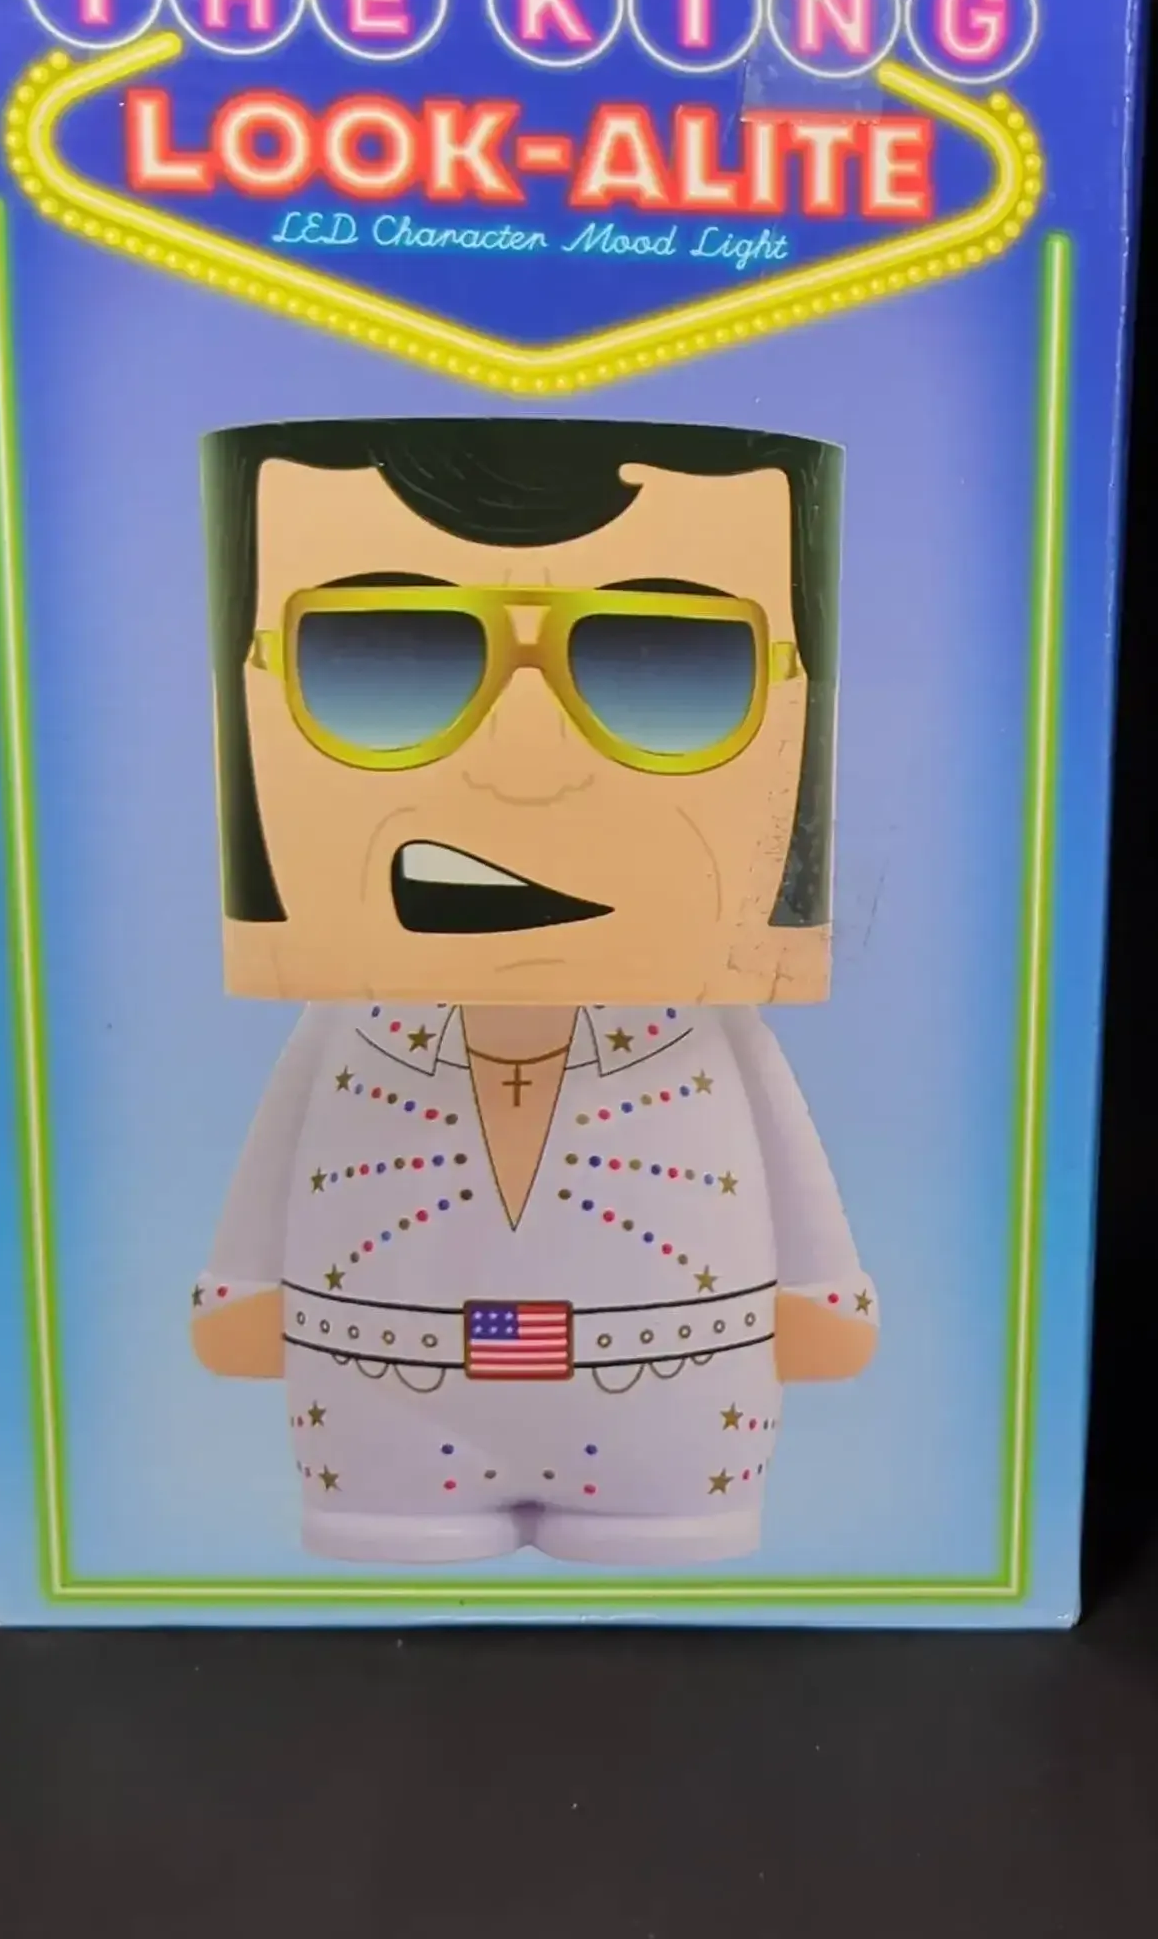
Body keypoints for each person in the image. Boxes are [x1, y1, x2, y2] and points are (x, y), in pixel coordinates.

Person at [186, 417, 875, 1566]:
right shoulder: (345, 1016)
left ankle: (662, 1519)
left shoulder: (711, 1024)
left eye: (666, 661)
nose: (524, 763)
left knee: (673, 1531)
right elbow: (273, 1159)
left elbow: (788, 1159)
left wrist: (820, 1289)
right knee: (385, 1527)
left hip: (668, 1386)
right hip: (382, 1380)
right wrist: (245, 1285)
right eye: (383, 655)